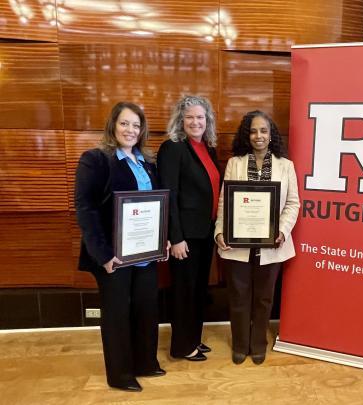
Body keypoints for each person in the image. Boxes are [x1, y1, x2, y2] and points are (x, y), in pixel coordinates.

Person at [75, 101, 168, 392]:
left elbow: (156, 207)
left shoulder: (147, 163)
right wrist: (102, 254)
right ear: (113, 125)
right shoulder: (96, 160)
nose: (130, 130)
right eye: (125, 123)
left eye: (136, 125)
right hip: (113, 256)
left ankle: (145, 362)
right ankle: (120, 374)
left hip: (145, 254)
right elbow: (86, 209)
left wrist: (161, 239)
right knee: (117, 314)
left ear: (142, 131)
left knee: (145, 307)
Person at [215, 110, 300, 365]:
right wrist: (220, 231)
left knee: (264, 297)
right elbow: (224, 202)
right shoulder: (235, 163)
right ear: (246, 134)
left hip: (272, 244)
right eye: (253, 131)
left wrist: (282, 230)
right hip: (237, 244)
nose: (258, 136)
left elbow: (293, 203)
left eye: (263, 130)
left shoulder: (286, 166)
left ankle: (258, 343)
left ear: (271, 134)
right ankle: (240, 344)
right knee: (239, 296)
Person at [157, 95, 221, 361]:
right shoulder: (173, 148)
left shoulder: (207, 148)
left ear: (208, 121)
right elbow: (168, 194)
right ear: (180, 120)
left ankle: (193, 338)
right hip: (185, 236)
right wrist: (176, 237)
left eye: (200, 117)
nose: (196, 122)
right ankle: (182, 346)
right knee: (184, 292)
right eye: (190, 117)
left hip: (204, 233)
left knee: (197, 291)